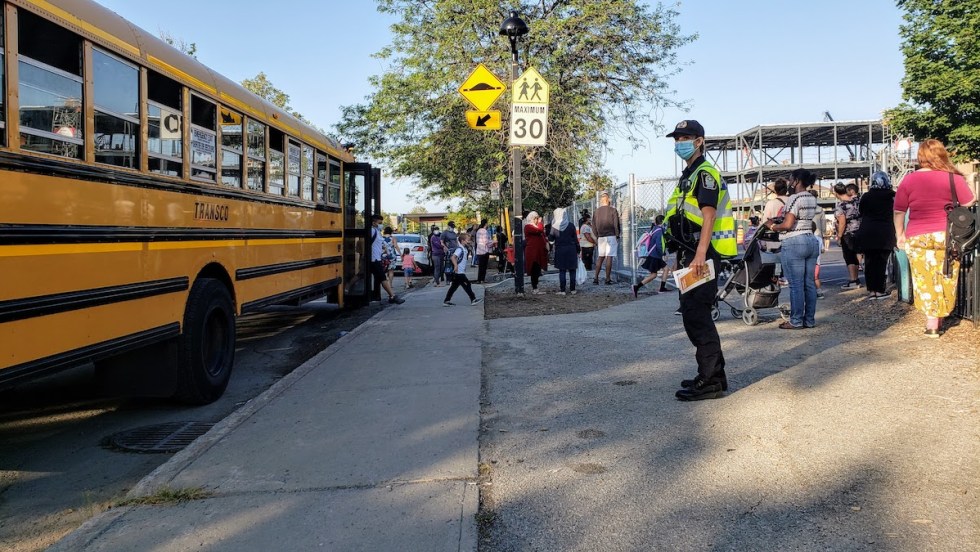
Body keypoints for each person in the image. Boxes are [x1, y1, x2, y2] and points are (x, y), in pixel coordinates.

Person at [663, 120, 736, 401]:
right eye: (676, 137)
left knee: (697, 315)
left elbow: (708, 216)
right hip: (690, 253)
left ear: (699, 141)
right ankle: (714, 375)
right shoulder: (689, 174)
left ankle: (710, 379)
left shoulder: (705, 174)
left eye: (685, 137)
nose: (679, 142)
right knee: (693, 312)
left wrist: (701, 254)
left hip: (701, 254)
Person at [894, 139, 976, 337]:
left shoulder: (909, 179)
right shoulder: (952, 178)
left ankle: (932, 321)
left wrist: (900, 235)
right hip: (947, 235)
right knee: (946, 274)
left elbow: (899, 211)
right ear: (941, 155)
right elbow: (970, 200)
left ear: (920, 157)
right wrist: (970, 181)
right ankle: (940, 315)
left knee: (924, 278)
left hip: (917, 235)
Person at [764, 168, 820, 329]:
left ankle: (796, 321)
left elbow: (788, 225)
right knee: (809, 283)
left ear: (797, 181)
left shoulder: (794, 198)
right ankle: (809, 320)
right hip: (811, 239)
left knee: (796, 285)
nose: (789, 182)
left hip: (795, 241)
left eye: (790, 179)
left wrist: (772, 226)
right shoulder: (811, 197)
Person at [856, 171, 897, 300]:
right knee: (881, 262)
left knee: (869, 262)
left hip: (867, 231)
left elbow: (861, 212)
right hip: (885, 232)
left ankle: (871, 291)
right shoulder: (892, 196)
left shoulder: (866, 196)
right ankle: (879, 291)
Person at [370, 215, 405, 304]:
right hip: (373, 259)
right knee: (382, 277)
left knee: (380, 277)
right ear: (374, 222)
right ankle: (392, 296)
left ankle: (390, 296)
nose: (381, 225)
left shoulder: (377, 232)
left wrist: (383, 250)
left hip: (377, 258)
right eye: (380, 223)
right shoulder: (372, 231)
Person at [834, 182, 863, 289]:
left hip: (848, 233)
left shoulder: (841, 206)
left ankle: (853, 280)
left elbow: (842, 222)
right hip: (860, 231)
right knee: (856, 254)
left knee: (849, 256)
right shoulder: (857, 202)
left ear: (837, 193)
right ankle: (856, 279)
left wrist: (839, 236)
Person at [443, 232, 483, 306]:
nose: (469, 241)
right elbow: (453, 257)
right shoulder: (460, 249)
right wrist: (455, 266)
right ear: (462, 241)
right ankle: (473, 299)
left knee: (454, 287)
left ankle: (446, 300)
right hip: (459, 272)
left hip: (460, 272)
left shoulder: (464, 248)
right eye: (467, 240)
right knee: (467, 285)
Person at [632, 215, 668, 297]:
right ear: (662, 221)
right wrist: (663, 254)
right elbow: (659, 244)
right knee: (655, 274)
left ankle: (661, 288)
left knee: (661, 271)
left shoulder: (654, 229)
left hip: (653, 255)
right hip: (655, 256)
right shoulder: (659, 231)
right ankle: (637, 287)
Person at [549, 206, 580, 295]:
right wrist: (578, 250)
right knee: (572, 270)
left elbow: (550, 239)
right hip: (571, 249)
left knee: (562, 271)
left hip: (560, 250)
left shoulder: (554, 227)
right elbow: (575, 239)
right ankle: (573, 289)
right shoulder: (571, 225)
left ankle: (562, 290)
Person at [592, 191, 621, 284]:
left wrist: (597, 235)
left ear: (601, 201)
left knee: (600, 257)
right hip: (611, 235)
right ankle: (607, 278)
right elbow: (616, 224)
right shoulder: (613, 210)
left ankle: (596, 278)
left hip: (601, 237)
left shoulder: (596, 212)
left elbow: (593, 226)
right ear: (608, 200)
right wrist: (617, 234)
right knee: (609, 257)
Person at [523, 211, 549, 294]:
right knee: (534, 270)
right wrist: (540, 223)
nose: (537, 220)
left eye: (537, 218)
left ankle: (536, 287)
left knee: (537, 269)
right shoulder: (528, 227)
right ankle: (534, 288)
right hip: (532, 252)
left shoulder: (535, 226)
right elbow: (540, 230)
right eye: (535, 218)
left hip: (539, 251)